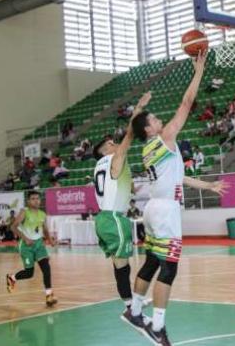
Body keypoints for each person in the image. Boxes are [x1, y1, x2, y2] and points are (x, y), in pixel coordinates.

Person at [130, 52, 227, 345]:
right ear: (149, 129)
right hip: (165, 211)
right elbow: (186, 103)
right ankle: (157, 327)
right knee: (169, 267)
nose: (161, 120)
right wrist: (198, 71)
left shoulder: (148, 149)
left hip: (153, 208)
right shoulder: (164, 139)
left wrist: (207, 187)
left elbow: (178, 177)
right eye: (155, 118)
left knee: (151, 262)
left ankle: (135, 310)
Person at [92, 91, 150, 323]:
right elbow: (129, 134)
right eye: (110, 144)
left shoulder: (102, 166)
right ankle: (131, 307)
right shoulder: (113, 159)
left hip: (104, 219)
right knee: (123, 265)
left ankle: (130, 304)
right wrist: (138, 108)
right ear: (105, 151)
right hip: (114, 218)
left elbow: (130, 189)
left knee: (120, 265)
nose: (114, 144)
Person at [6, 191, 57, 307]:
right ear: (28, 201)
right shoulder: (24, 212)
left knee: (46, 269)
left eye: (38, 198)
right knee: (29, 273)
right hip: (26, 246)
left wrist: (50, 240)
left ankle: (49, 296)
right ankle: (12, 278)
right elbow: (13, 227)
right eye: (33, 199)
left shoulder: (42, 214)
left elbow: (45, 230)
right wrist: (25, 239)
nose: (36, 201)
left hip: (39, 244)